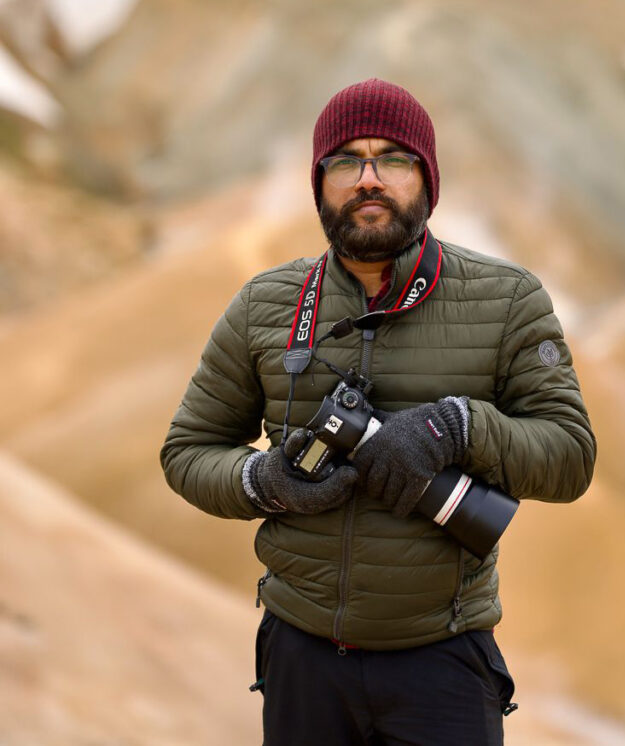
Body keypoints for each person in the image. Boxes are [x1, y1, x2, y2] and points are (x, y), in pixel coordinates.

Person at [160, 78, 596, 746]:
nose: (369, 179)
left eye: (392, 158)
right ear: (319, 184)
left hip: (443, 663)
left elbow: (569, 457)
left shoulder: (508, 299)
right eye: (346, 160)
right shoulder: (264, 304)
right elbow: (188, 451)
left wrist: (459, 426)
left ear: (427, 177)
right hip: (301, 661)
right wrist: (262, 481)